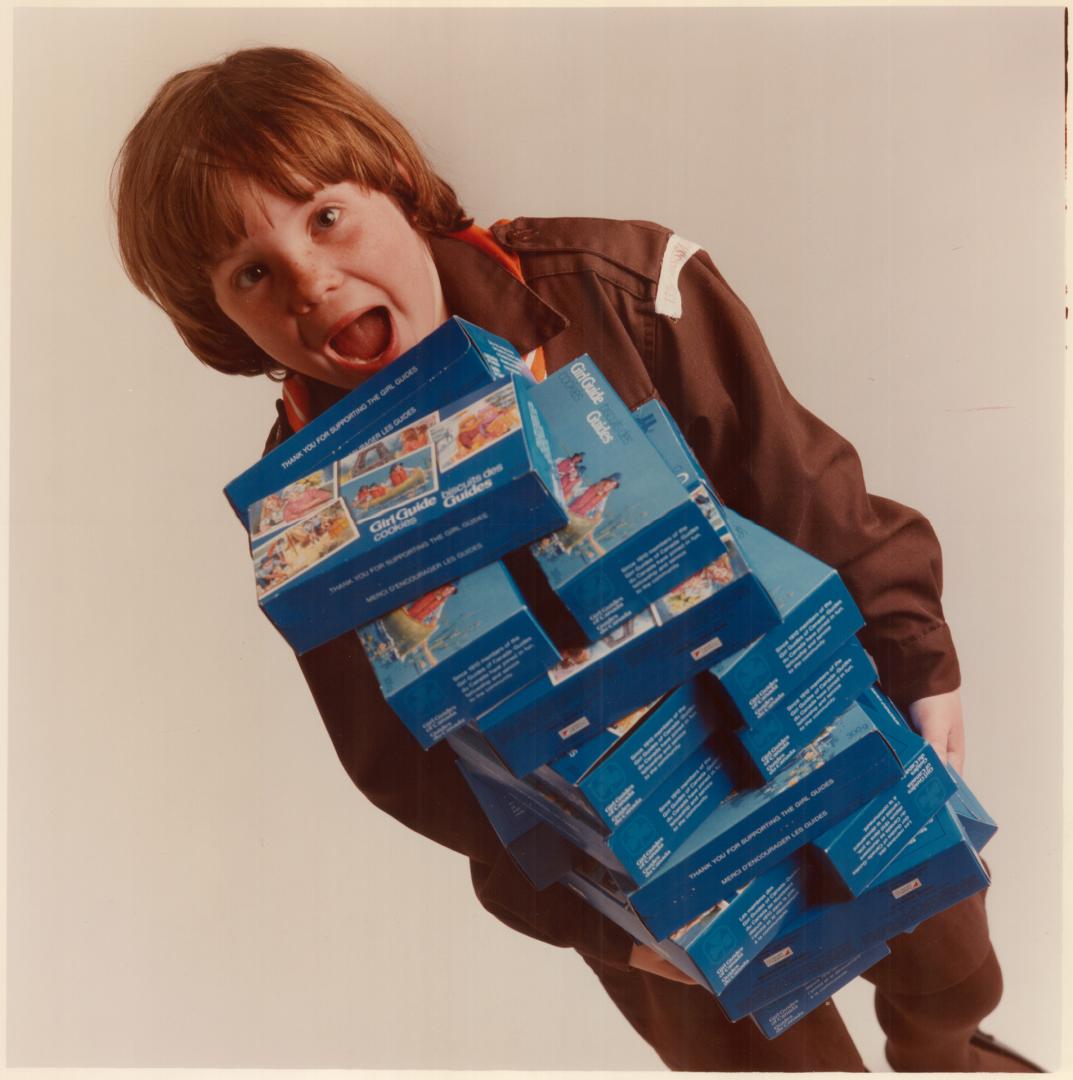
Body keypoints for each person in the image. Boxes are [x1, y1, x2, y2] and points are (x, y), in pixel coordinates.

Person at [111, 46, 1040, 1072]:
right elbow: (400, 764)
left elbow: (800, 479)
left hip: (820, 725)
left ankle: (951, 1054)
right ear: (222, 322)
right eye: (253, 273)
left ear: (394, 185)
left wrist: (916, 656)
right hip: (636, 865)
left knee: (953, 973)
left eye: (325, 215)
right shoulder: (305, 524)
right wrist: (608, 928)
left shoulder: (616, 283)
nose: (313, 280)